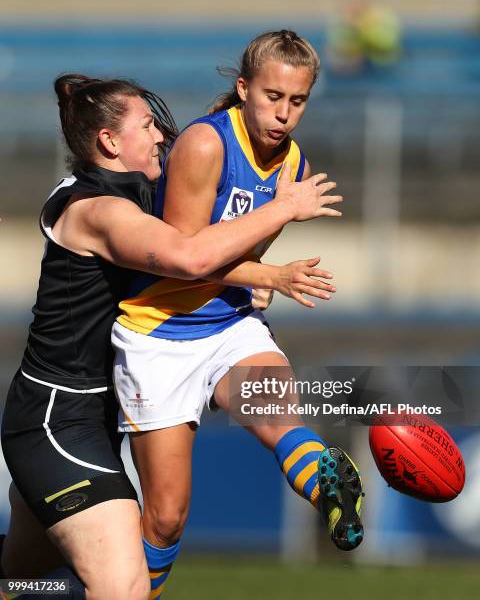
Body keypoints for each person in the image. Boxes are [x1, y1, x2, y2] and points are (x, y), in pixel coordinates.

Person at [0, 73, 343, 599]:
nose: (162, 133)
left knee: (24, 579)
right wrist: (284, 209)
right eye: (146, 126)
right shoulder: (99, 210)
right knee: (122, 585)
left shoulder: (141, 192)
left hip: (100, 410)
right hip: (60, 418)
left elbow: (197, 250)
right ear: (110, 143)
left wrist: (262, 277)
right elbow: (190, 257)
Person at [112, 29, 363, 599]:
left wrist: (259, 280)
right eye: (272, 97)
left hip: (227, 322)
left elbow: (237, 256)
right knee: (167, 518)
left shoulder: (292, 162)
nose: (284, 114)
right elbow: (183, 257)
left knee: (278, 417)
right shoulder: (206, 144)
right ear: (244, 88)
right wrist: (271, 276)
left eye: (297, 101)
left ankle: (329, 484)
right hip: (160, 334)